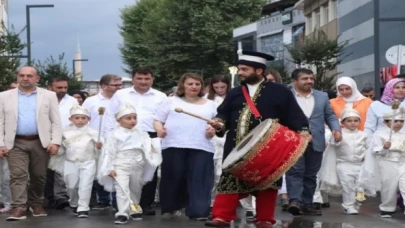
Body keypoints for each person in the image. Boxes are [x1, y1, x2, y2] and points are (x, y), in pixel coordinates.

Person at [206, 51, 309, 228]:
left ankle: (264, 219)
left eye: (244, 69)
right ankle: (222, 217)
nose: (240, 73)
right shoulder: (235, 93)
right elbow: (223, 114)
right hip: (236, 147)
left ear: (259, 70)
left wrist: (303, 131)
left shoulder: (280, 92)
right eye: (239, 69)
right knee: (230, 179)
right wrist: (219, 123)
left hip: (268, 147)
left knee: (267, 183)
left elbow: (293, 115)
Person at [0, 66, 62, 221]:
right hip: (15, 142)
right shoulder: (4, 96)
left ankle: (36, 204)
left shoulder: (48, 96)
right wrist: (1, 144)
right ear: (17, 77)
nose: (25, 78)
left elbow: (56, 121)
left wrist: (55, 142)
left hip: (40, 142)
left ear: (37, 78)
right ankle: (19, 207)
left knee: (39, 176)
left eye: (29, 75)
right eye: (22, 75)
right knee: (18, 175)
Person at [103, 67, 166, 216]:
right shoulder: (120, 94)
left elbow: (164, 117)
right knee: (123, 171)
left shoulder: (161, 96)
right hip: (124, 135)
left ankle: (145, 204)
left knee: (149, 171)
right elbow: (110, 116)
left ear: (152, 79)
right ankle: (123, 205)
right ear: (133, 79)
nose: (143, 82)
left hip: (149, 136)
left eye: (147, 79)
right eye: (139, 78)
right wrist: (108, 139)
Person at [154, 73, 217, 220]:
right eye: (190, 84)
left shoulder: (210, 104)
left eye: (197, 84)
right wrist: (159, 129)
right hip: (174, 144)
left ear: (201, 86)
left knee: (199, 179)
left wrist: (212, 130)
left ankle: (198, 211)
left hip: (201, 146)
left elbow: (215, 124)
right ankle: (172, 207)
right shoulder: (170, 101)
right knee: (175, 176)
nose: (194, 87)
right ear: (183, 85)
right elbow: (158, 120)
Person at [286, 68, 341, 216]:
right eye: (305, 78)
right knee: (295, 171)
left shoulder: (322, 96)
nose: (309, 81)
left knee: (311, 174)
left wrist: (336, 129)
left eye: (311, 78)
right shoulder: (286, 95)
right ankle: (295, 201)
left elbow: (330, 115)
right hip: (293, 140)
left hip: (316, 140)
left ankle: (307, 203)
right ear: (294, 81)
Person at [98, 103, 160, 224]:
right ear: (119, 120)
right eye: (128, 118)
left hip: (138, 163)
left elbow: (148, 147)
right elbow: (109, 152)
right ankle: (122, 213)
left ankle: (134, 209)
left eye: (134, 118)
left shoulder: (142, 133)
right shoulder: (114, 134)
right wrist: (109, 167)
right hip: (121, 164)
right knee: (122, 189)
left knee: (136, 188)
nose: (132, 121)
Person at [48, 105, 103, 218]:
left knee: (85, 185)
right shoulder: (65, 133)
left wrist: (98, 147)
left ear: (88, 119)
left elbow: (99, 151)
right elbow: (62, 149)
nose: (80, 120)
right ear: (71, 119)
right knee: (71, 186)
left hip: (88, 162)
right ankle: (74, 203)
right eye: (77, 118)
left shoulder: (94, 133)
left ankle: (83, 208)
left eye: (83, 118)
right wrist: (56, 150)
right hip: (71, 162)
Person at [82, 74, 122, 210]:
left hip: (118, 139)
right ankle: (103, 200)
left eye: (120, 85)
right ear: (104, 86)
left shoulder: (122, 100)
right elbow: (84, 120)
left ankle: (117, 201)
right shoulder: (91, 101)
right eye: (115, 85)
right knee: (100, 168)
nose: (119, 87)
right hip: (98, 140)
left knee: (117, 169)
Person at [318, 108, 367, 215]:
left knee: (360, 185)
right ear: (343, 122)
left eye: (356, 120)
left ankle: (357, 202)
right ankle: (348, 205)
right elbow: (334, 144)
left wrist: (366, 156)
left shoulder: (363, 135)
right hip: (344, 164)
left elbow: (368, 148)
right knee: (348, 185)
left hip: (360, 165)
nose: (353, 123)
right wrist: (337, 138)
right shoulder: (339, 134)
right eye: (349, 121)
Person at [361, 110, 405, 218]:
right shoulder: (379, 134)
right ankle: (387, 208)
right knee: (389, 185)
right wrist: (384, 147)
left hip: (402, 162)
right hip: (387, 162)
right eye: (395, 121)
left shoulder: (403, 134)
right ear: (386, 122)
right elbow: (375, 150)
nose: (399, 123)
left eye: (401, 121)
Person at [46, 77, 79, 210]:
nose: (63, 90)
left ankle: (60, 197)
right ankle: (47, 197)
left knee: (60, 169)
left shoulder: (72, 100)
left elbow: (77, 118)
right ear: (50, 87)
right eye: (59, 88)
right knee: (45, 169)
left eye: (65, 87)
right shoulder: (42, 99)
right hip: (45, 137)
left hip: (66, 137)